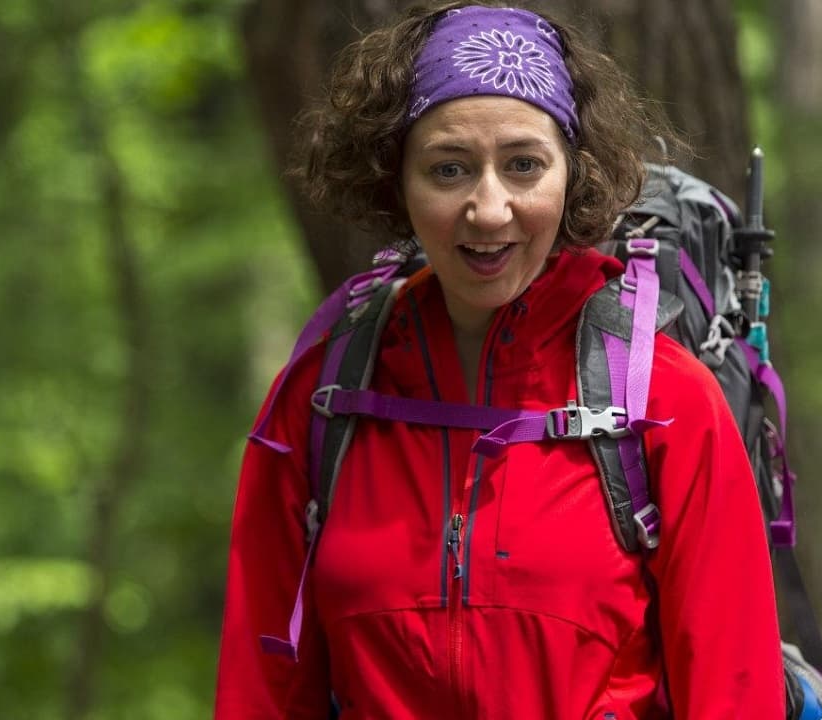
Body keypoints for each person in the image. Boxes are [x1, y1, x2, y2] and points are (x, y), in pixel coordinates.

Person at [215, 2, 785, 717]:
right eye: (448, 169)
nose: (489, 209)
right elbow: (261, 690)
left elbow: (735, 694)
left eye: (523, 165)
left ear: (573, 174)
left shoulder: (666, 401)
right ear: (397, 180)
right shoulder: (323, 397)